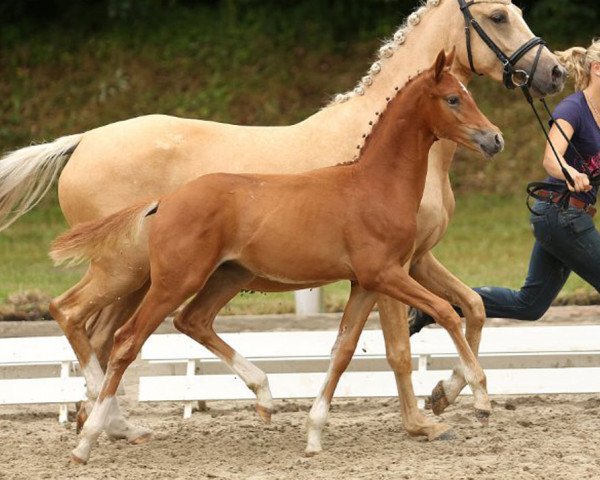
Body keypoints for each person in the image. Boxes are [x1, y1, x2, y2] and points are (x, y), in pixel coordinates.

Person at [409, 38, 600, 335]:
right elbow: (551, 159)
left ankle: (434, 306)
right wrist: (570, 173)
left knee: (530, 305)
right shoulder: (572, 110)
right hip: (561, 215)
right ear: (597, 69)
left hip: (569, 217)